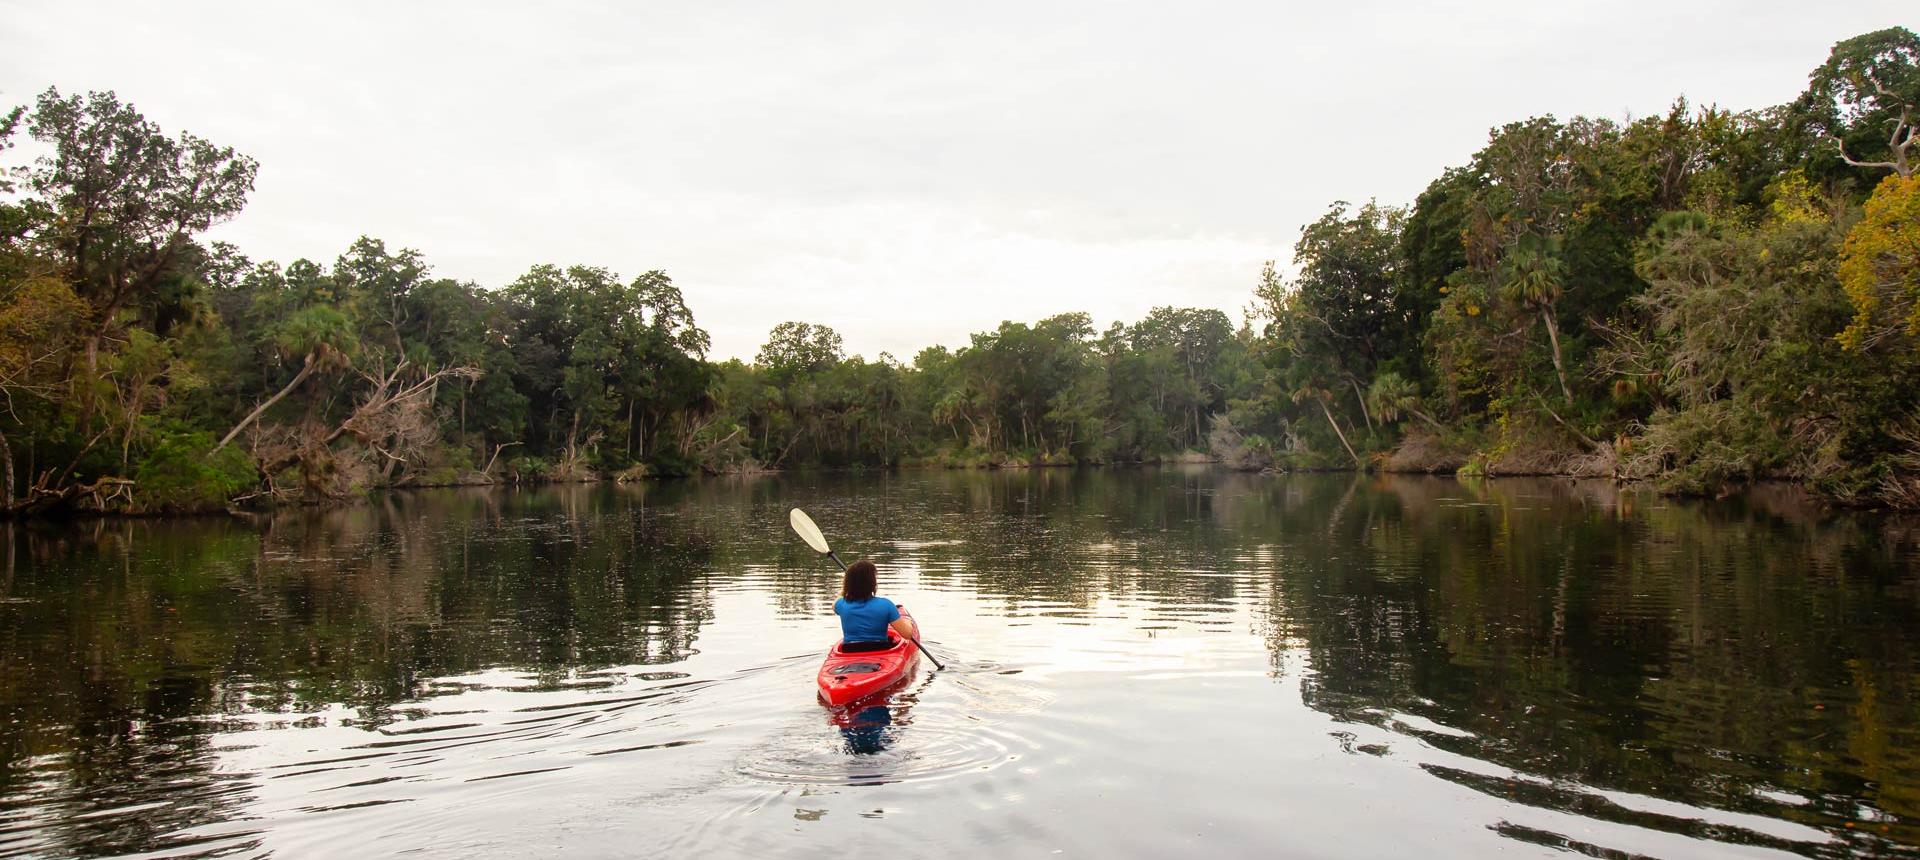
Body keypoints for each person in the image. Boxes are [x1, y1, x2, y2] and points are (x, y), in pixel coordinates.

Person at [834, 560, 918, 653]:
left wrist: (848, 589)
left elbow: (837, 602)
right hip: (880, 650)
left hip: (849, 650)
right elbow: (907, 634)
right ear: (872, 583)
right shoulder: (886, 605)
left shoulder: (841, 604)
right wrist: (907, 621)